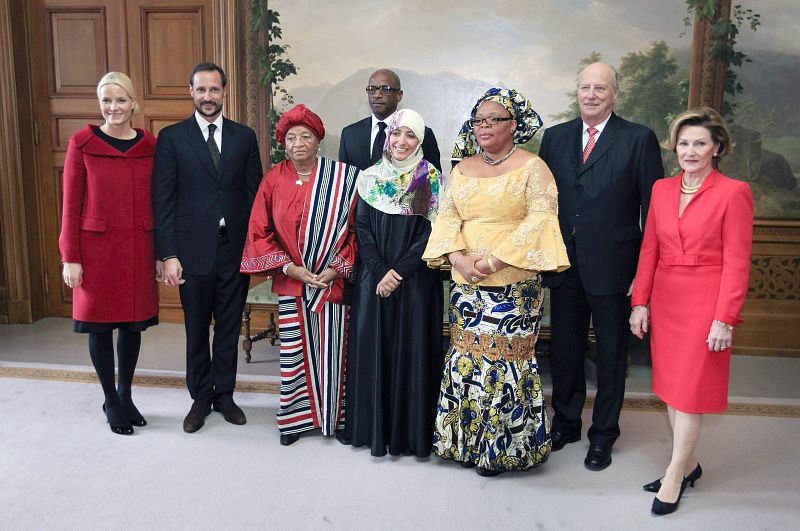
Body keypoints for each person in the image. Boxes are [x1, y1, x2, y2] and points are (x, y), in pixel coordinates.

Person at [422, 88, 570, 476]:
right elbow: (447, 216)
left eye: (493, 120)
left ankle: (502, 449)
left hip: (514, 282)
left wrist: (492, 260)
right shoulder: (462, 167)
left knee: (504, 360)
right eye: (478, 121)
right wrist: (458, 257)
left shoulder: (533, 166)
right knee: (468, 357)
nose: (484, 126)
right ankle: (462, 443)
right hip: (466, 281)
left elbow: (540, 219)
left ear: (514, 125)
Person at [538, 62, 664, 471]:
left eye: (601, 88)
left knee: (611, 354)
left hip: (616, 267)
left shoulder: (638, 139)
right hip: (564, 264)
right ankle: (567, 422)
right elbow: (543, 205)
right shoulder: (555, 139)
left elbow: (655, 213)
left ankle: (604, 434)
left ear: (615, 95)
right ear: (577, 92)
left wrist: (643, 276)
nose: (592, 94)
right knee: (565, 349)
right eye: (585, 87)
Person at [630, 107, 753, 515]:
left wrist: (725, 317)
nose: (690, 151)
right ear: (674, 147)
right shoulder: (661, 190)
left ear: (717, 148)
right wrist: (640, 302)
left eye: (700, 143)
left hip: (706, 304)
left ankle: (673, 476)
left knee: (690, 395)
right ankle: (690, 465)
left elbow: (738, 261)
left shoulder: (734, 192)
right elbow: (650, 250)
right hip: (666, 301)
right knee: (671, 390)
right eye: (684, 143)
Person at [152, 62, 262, 433]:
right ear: (191, 91)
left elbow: (253, 198)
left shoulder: (244, 137)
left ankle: (225, 396)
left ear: (224, 91)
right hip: (190, 252)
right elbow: (163, 200)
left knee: (229, 327)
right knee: (197, 328)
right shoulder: (171, 138)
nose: (208, 97)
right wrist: (168, 254)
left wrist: (254, 250)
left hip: (233, 252)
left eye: (214, 90)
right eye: (201, 90)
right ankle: (200, 397)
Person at [241, 104, 359, 446]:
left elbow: (355, 232)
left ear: (318, 139)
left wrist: (335, 268)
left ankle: (335, 418)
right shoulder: (273, 179)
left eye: (305, 136)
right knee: (294, 353)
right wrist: (289, 267)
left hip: (330, 282)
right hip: (292, 281)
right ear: (284, 143)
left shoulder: (343, 177)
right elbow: (259, 231)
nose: (298, 143)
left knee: (335, 350)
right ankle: (295, 419)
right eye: (291, 137)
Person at [59, 72, 161, 435]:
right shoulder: (82, 143)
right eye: (106, 100)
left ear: (134, 103)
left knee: (132, 326)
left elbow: (160, 200)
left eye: (120, 100)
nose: (113, 107)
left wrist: (162, 253)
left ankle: (125, 393)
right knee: (100, 327)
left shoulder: (149, 144)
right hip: (95, 251)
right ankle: (110, 399)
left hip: (137, 247)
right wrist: (70, 257)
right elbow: (70, 205)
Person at [343, 109, 443, 457]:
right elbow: (363, 229)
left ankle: (408, 436)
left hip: (414, 283)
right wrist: (380, 270)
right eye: (397, 134)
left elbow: (430, 234)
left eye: (410, 136)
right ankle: (372, 431)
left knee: (411, 353)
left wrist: (397, 272)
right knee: (374, 352)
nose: (402, 141)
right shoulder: (370, 177)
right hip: (375, 281)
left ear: (420, 141)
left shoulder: (429, 179)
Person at [339, 68, 442, 172]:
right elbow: (343, 180)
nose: (377, 95)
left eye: (385, 89)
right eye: (371, 89)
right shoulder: (349, 134)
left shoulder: (422, 134)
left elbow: (434, 181)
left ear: (399, 95)